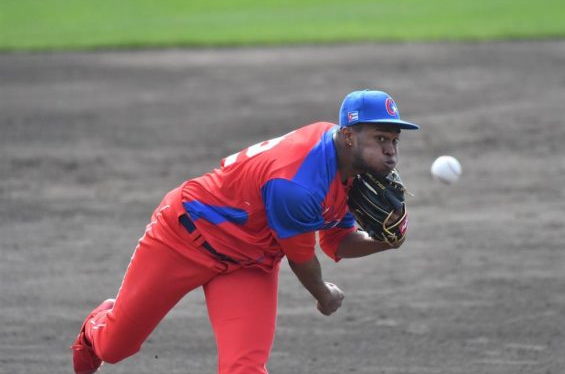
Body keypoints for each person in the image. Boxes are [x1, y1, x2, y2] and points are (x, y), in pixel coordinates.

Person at [71, 89, 420, 374]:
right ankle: (94, 330)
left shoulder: (352, 174)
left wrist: (385, 242)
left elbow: (336, 241)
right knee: (117, 346)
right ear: (347, 136)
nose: (390, 151)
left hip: (250, 263)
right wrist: (324, 294)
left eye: (394, 140)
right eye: (380, 138)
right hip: (183, 239)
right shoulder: (297, 183)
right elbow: (302, 259)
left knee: (245, 367)